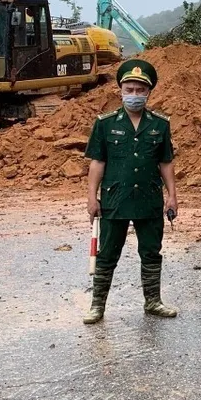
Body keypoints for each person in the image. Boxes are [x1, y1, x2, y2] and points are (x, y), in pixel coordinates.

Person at [82, 59, 178, 324]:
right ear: (120, 91)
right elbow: (97, 162)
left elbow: (165, 162)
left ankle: (153, 301)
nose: (134, 95)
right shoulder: (104, 124)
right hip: (115, 199)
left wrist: (172, 195)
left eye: (140, 90)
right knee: (108, 253)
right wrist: (92, 197)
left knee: (150, 251)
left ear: (148, 93)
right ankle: (97, 306)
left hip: (148, 197)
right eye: (129, 90)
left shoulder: (160, 124)